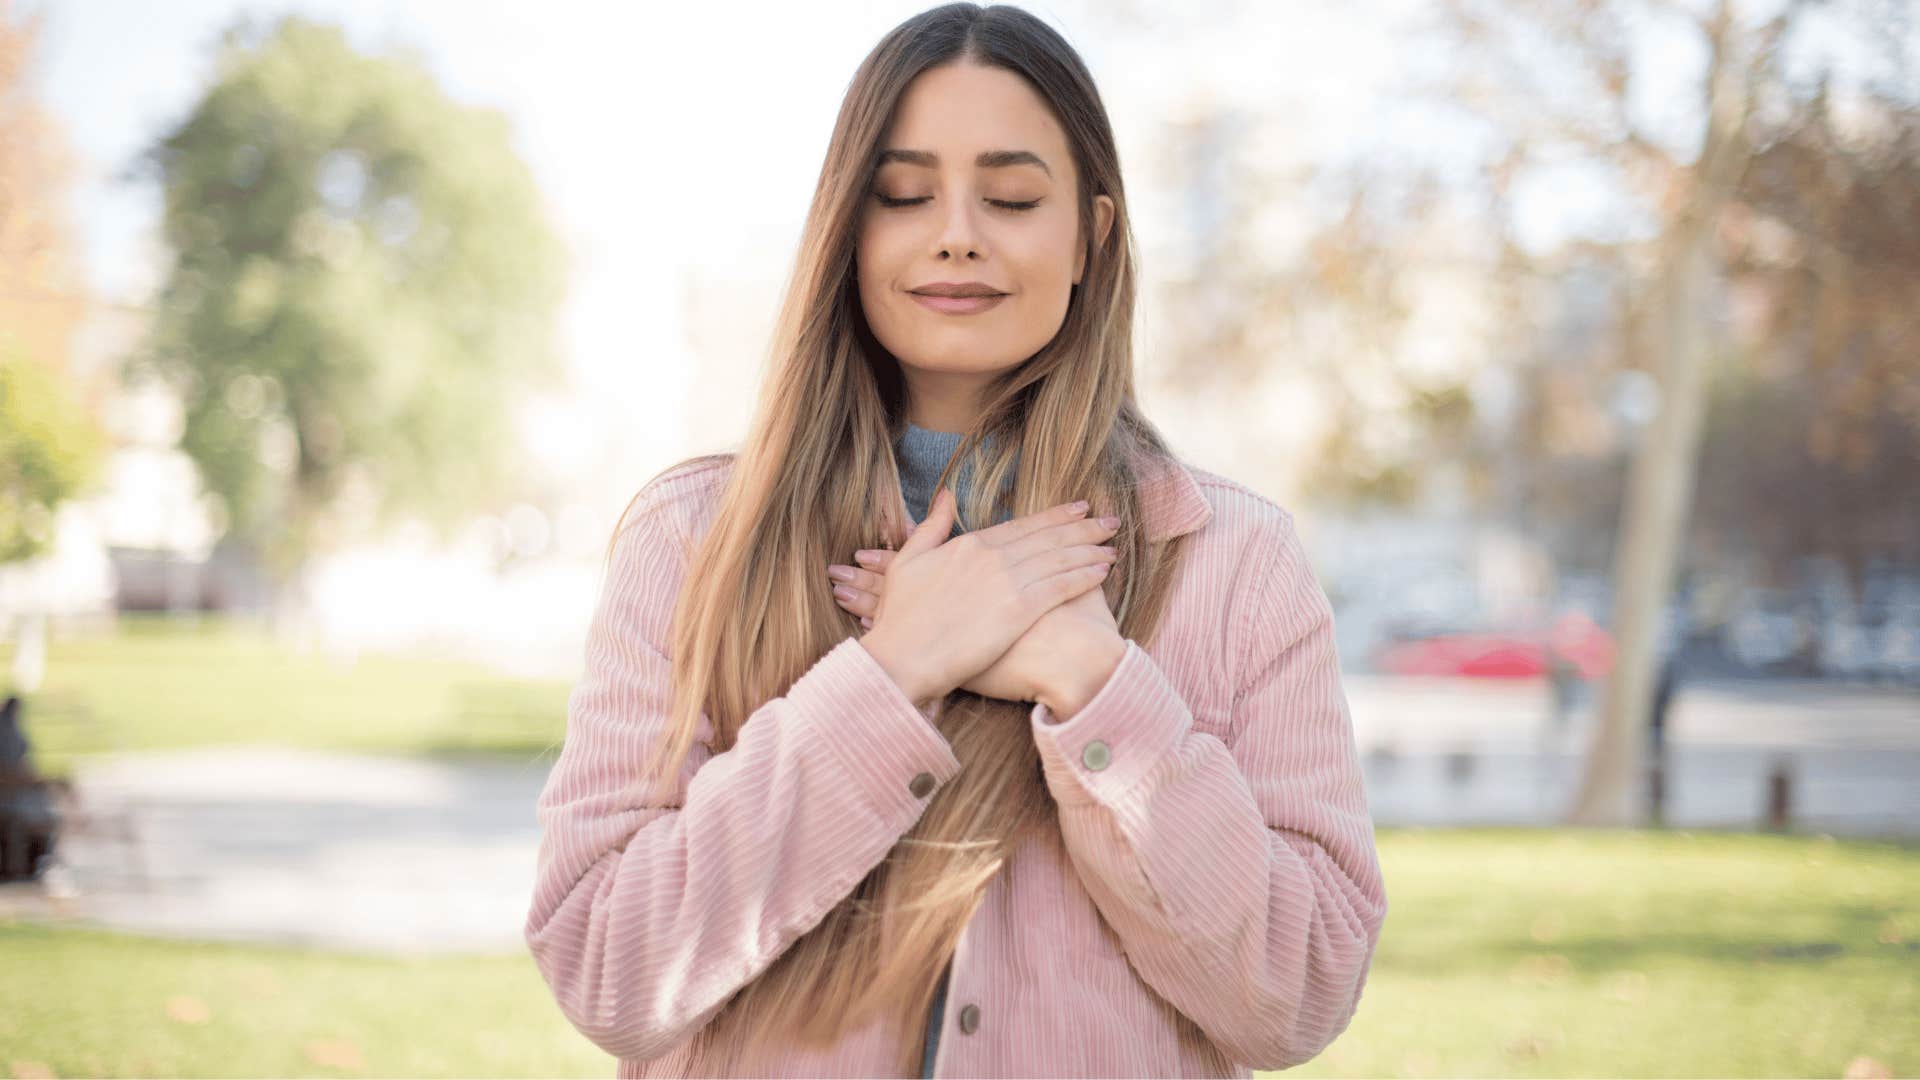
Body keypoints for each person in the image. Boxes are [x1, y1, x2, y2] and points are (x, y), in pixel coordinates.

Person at [522, 4, 1388, 1077]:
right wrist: (893, 673)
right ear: (848, 229)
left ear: (1094, 240)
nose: (958, 231)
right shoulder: (692, 539)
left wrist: (1092, 680)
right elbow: (609, 965)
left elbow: (1298, 996)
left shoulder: (1237, 561)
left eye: (1014, 197)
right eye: (903, 193)